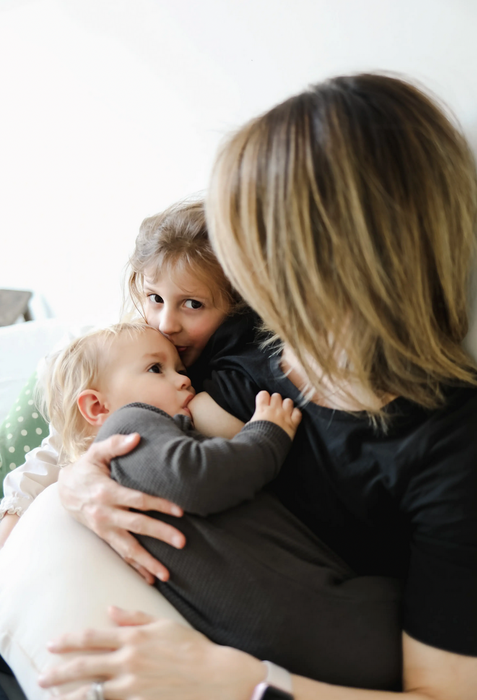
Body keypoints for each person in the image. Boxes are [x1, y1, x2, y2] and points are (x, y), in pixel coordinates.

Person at [36, 73, 477, 700]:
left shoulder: (451, 447)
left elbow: (444, 693)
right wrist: (80, 483)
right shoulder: (240, 349)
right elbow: (110, 406)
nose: (233, 255)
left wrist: (246, 682)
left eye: (246, 232)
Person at [38, 320, 402, 688]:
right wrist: (267, 433)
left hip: (282, 640)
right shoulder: (129, 423)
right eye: (155, 369)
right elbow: (197, 477)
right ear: (97, 406)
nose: (183, 379)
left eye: (179, 369)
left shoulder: (133, 462)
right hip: (326, 615)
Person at [0, 199, 260, 581]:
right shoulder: (134, 343)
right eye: (154, 298)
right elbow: (59, 446)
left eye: (192, 304)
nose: (166, 322)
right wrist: (13, 516)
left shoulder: (233, 371)